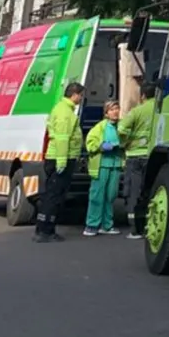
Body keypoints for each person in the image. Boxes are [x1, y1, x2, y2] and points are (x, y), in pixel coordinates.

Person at [35, 82, 85, 243]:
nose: (81, 98)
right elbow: (63, 138)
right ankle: (46, 231)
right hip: (61, 158)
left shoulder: (62, 109)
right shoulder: (65, 113)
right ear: (75, 94)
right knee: (54, 196)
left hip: (57, 157)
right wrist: (62, 162)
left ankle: (43, 228)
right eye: (81, 95)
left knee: (51, 195)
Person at [119, 81, 157, 240]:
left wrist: (124, 144)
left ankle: (136, 229)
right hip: (152, 156)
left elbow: (121, 130)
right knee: (150, 191)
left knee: (134, 192)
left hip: (134, 156)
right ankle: (150, 225)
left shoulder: (136, 112)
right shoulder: (160, 109)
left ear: (142, 96)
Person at [83, 101, 125, 237]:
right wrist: (103, 146)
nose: (115, 112)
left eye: (117, 109)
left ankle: (107, 225)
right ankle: (91, 225)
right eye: (112, 109)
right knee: (97, 195)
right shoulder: (99, 127)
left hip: (116, 165)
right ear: (106, 113)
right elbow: (90, 143)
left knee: (111, 196)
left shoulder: (121, 126)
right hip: (101, 165)